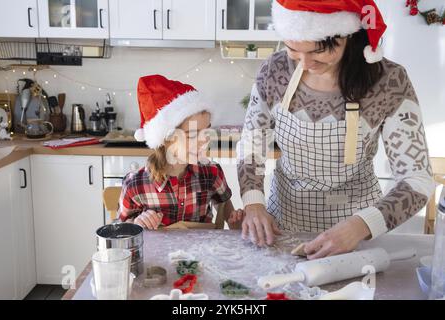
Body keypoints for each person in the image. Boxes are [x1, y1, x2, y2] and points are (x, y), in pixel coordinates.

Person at [237, 0, 435, 259]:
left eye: (318, 51)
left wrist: (361, 226)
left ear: (348, 37)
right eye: (294, 50)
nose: (305, 63)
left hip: (357, 229)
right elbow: (252, 146)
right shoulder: (275, 70)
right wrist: (253, 203)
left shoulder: (388, 81)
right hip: (281, 224)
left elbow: (417, 179)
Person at [119, 75, 244, 229]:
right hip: (158, 253)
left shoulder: (212, 172)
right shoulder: (135, 184)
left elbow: (225, 210)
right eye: (192, 134)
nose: (204, 140)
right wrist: (137, 224)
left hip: (203, 252)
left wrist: (235, 223)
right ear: (166, 139)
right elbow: (124, 229)